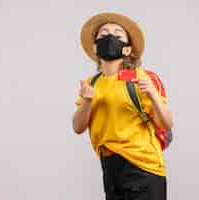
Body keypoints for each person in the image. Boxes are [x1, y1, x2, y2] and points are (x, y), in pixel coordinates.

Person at [72, 12, 173, 200]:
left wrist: (152, 93)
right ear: (95, 47)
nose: (110, 37)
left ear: (127, 50)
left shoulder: (139, 78)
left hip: (143, 168)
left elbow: (167, 123)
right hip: (110, 168)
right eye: (103, 34)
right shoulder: (91, 83)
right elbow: (77, 127)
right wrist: (86, 101)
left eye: (118, 35)